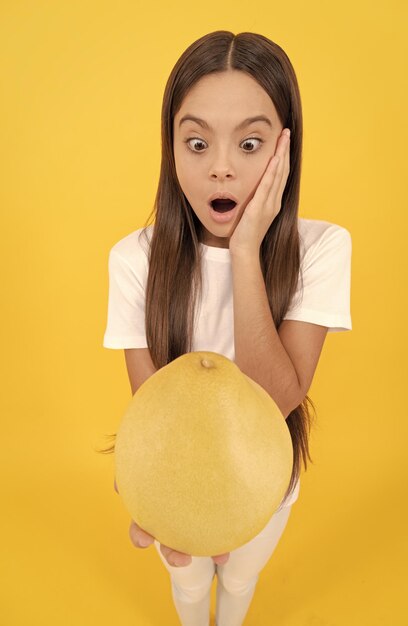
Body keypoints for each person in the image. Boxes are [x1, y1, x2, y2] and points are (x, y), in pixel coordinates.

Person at [101, 30, 352, 626]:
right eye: (196, 142)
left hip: (266, 480)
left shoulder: (323, 247)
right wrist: (162, 495)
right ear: (171, 150)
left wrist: (246, 252)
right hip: (173, 482)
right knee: (189, 590)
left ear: (284, 149)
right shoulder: (134, 260)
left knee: (240, 577)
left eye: (249, 143)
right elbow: (154, 408)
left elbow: (279, 399)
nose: (220, 168)